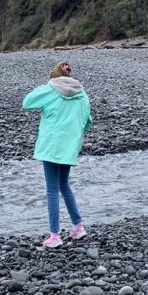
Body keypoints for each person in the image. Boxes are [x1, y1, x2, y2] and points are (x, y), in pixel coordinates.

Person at [23, 60, 93, 248]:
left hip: (52, 146)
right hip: (70, 146)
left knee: (52, 189)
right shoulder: (82, 93)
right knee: (64, 185)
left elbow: (27, 102)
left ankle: (55, 235)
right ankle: (78, 226)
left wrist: (48, 85)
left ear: (53, 77)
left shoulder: (50, 89)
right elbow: (88, 121)